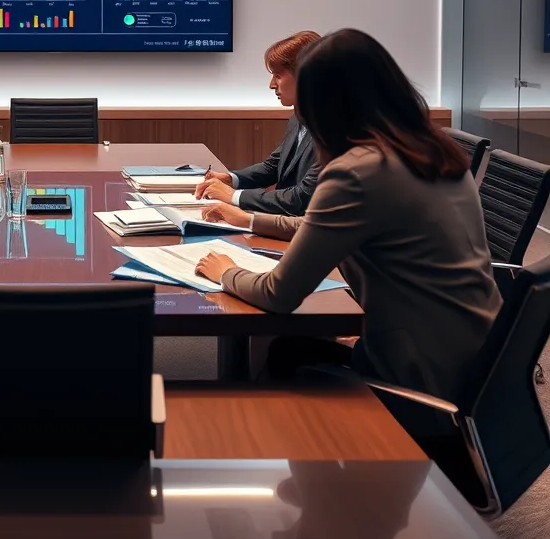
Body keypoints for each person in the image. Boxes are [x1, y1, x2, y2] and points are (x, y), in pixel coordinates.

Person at [195, 29, 502, 406]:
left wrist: (224, 271)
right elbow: (321, 226)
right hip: (484, 361)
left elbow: (279, 295)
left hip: (422, 378)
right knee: (295, 349)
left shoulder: (358, 171)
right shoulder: (434, 152)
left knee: (283, 355)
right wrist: (249, 220)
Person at [195, 30, 320, 215]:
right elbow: (274, 166)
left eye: (278, 75)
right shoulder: (298, 117)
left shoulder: (335, 127)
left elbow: (302, 198)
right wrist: (231, 179)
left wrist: (234, 196)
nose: (271, 84)